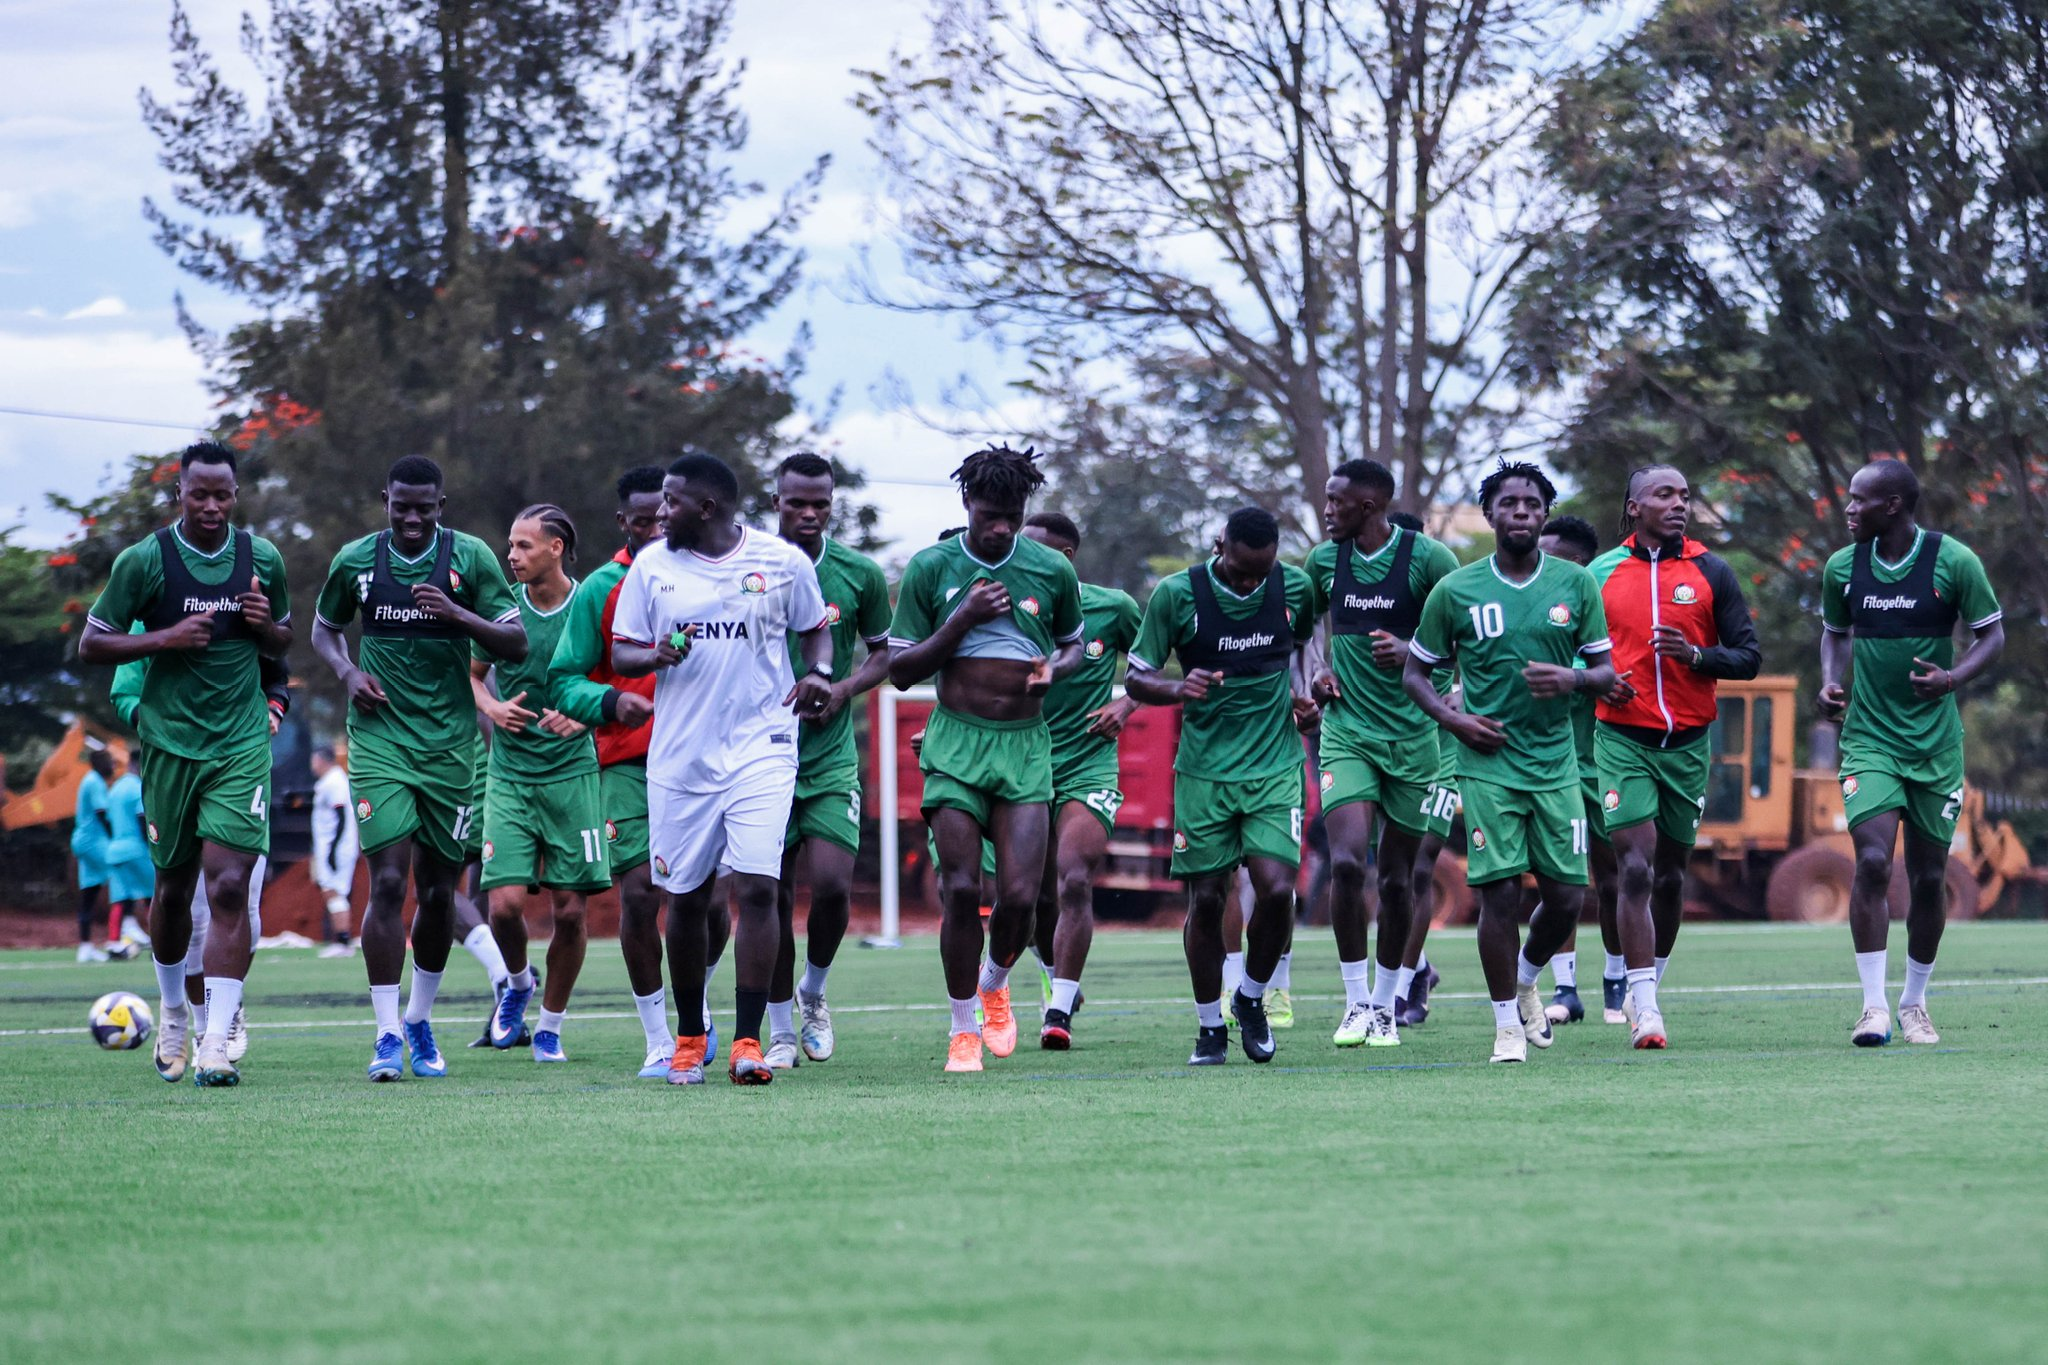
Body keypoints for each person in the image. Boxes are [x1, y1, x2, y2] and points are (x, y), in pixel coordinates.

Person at [610, 450, 834, 1085]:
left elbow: (817, 630)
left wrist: (817, 672)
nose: (660, 513)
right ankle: (687, 1036)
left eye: (672, 502)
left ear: (707, 508)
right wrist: (655, 654)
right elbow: (623, 653)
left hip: (762, 746)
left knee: (760, 887)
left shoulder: (781, 562)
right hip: (681, 757)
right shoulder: (653, 567)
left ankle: (745, 1041)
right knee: (684, 897)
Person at [78, 439, 292, 1087]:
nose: (210, 505)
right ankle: (173, 1010)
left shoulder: (262, 558)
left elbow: (282, 641)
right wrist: (164, 637)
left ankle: (216, 1040)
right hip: (170, 749)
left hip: (240, 746)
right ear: (180, 494)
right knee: (172, 890)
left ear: (235, 494)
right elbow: (94, 644)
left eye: (222, 494)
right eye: (198, 493)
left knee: (229, 887)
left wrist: (265, 624)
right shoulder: (146, 562)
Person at [313, 454, 526, 1082]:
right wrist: (349, 672)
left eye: (423, 508)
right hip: (380, 741)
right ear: (385, 499)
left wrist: (459, 615)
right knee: (385, 883)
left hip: (452, 749)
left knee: (438, 893)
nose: (411, 518)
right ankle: (383, 1035)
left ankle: (418, 1018)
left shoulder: (472, 560)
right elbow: (325, 631)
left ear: (441, 506)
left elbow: (515, 643)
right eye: (400, 506)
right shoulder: (356, 561)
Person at [1403, 461, 1614, 1064]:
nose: (1520, 511)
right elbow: (1418, 673)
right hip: (1486, 764)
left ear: (1543, 514)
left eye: (1531, 503)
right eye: (1508, 502)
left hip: (1556, 765)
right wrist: (1455, 720)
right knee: (1497, 896)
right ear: (1491, 514)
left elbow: (1606, 673)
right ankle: (1505, 1027)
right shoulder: (1457, 590)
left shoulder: (1575, 585)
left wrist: (1572, 677)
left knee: (1569, 898)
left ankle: (1526, 979)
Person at [888, 446, 1085, 1073]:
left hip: (1025, 746)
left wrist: (1052, 669)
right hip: (956, 741)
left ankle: (995, 983)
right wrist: (961, 618)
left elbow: (1075, 649)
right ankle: (961, 1026)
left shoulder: (1051, 570)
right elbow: (899, 670)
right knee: (961, 886)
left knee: (1024, 897)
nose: (1002, 526)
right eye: (990, 514)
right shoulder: (932, 567)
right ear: (967, 504)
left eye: (1013, 514)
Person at [1819, 459, 2003, 1046]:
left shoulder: (1953, 561)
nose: (1848, 510)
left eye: (1858, 500)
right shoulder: (1843, 568)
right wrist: (1830, 680)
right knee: (1873, 862)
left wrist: (1953, 678)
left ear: (1892, 504)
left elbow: (1991, 633)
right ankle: (1872, 1008)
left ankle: (1914, 1003)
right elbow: (1834, 631)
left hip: (1935, 747)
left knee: (1928, 878)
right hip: (1870, 740)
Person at [1126, 506, 1318, 1067]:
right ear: (1219, 545)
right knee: (1208, 897)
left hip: (1275, 764)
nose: (1248, 582)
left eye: (1260, 573)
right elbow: (1138, 675)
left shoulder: (1296, 587)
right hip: (1204, 771)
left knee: (1278, 888)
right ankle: (1210, 1027)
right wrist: (1176, 687)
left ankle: (1252, 997)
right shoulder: (1175, 595)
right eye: (1238, 571)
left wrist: (1308, 698)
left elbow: (1305, 650)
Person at [1587, 471, 1762, 1047]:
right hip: (1622, 741)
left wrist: (1696, 655)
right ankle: (1646, 1006)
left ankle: (1647, 989)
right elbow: (1565, 653)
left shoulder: (1712, 571)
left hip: (1688, 746)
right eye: (1666, 495)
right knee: (1633, 867)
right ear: (1634, 507)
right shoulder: (1600, 574)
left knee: (1670, 875)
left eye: (1686, 495)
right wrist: (1598, 682)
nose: (1680, 504)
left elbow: (1748, 658)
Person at [1305, 458, 1461, 1049]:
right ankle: (1354, 1003)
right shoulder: (1323, 563)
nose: (1326, 510)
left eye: (1334, 501)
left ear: (1368, 506)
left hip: (1417, 739)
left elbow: (1468, 645)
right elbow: (1300, 634)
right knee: (1346, 864)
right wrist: (1316, 672)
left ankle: (1388, 1002)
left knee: (1399, 879)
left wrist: (1416, 652)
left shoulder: (1429, 561)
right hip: (1347, 734)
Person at [547, 464, 690, 1079]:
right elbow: (563, 678)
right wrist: (610, 703)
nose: (654, 528)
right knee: (639, 896)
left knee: (702, 902)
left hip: (700, 761)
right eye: (640, 519)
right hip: (627, 765)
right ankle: (659, 1038)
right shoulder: (603, 587)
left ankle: (697, 1016)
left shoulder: (709, 577)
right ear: (622, 521)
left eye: (663, 516)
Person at [767, 452, 894, 1068]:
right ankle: (779, 1029)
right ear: (777, 503)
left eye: (821, 504)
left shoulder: (859, 573)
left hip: (830, 757)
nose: (811, 513)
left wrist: (842, 689)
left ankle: (813, 993)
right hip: (760, 757)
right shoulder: (750, 567)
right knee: (768, 894)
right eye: (798, 503)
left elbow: (883, 655)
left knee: (834, 885)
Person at [471, 505, 610, 1062]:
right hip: (509, 774)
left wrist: (586, 715)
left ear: (556, 548)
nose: (512, 555)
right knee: (503, 905)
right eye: (511, 544)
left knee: (571, 911)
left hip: (573, 775)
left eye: (524, 545)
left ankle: (550, 1024)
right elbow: (473, 677)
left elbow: (614, 677)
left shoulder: (590, 605)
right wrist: (493, 707)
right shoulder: (504, 611)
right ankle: (517, 981)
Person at [110, 636, 287, 1065]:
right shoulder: (151, 606)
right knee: (183, 905)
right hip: (174, 766)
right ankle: (184, 1015)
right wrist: (161, 724)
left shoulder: (242, 590)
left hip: (239, 764)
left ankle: (223, 1017)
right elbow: (124, 691)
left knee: (237, 894)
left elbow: (275, 660)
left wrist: (274, 707)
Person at [1019, 511, 1141, 1049]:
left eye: (1036, 551)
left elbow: (1154, 664)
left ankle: (1059, 1010)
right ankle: (1050, 963)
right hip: (1019, 764)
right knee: (1020, 898)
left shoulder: (1113, 607)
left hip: (1088, 764)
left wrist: (1127, 702)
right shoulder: (1009, 609)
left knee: (1073, 879)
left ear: (1065, 558)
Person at [1526, 515, 1615, 1029]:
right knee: (1559, 879)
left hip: (1603, 760)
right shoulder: (1535, 610)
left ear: (1579, 563)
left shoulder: (1595, 607)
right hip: (1553, 764)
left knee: (1615, 876)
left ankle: (1618, 983)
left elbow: (1615, 674)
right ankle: (1565, 989)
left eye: (1551, 554)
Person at [104, 753, 155, 959]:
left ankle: (114, 943)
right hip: (136, 849)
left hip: (115, 850)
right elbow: (142, 817)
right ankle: (161, 942)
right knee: (154, 897)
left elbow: (107, 820)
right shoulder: (137, 786)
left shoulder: (115, 788)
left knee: (120, 899)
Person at [310, 746, 359, 958]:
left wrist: (332, 850)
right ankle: (341, 940)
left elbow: (341, 817)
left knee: (335, 892)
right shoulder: (327, 782)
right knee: (331, 891)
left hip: (336, 847)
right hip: (328, 846)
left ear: (322, 761)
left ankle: (343, 940)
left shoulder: (335, 781)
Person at [71, 748, 116, 962]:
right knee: (123, 874)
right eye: (110, 762)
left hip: (82, 840)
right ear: (99, 763)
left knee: (89, 894)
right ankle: (123, 934)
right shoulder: (96, 781)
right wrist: (115, 837)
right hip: (93, 841)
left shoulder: (88, 779)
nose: (113, 766)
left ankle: (85, 947)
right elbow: (102, 813)